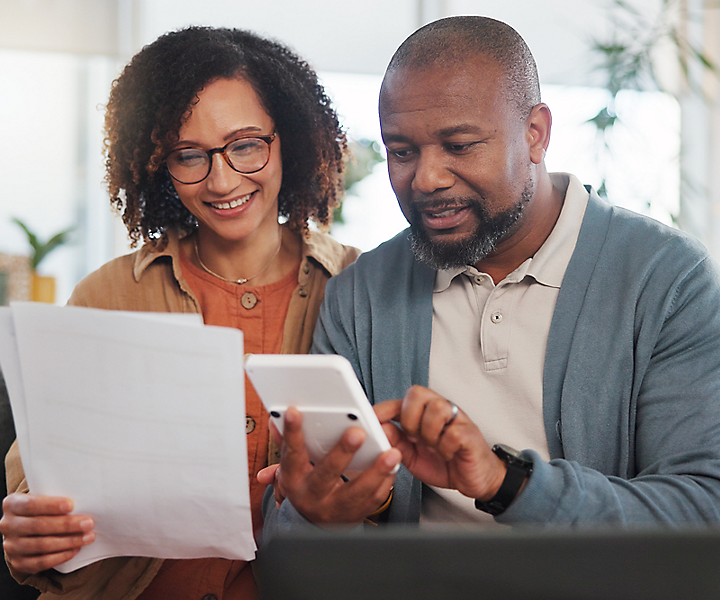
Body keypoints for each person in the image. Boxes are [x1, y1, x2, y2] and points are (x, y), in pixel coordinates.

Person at [261, 15, 720, 531]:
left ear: (536, 134)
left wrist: (507, 483)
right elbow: (289, 539)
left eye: (459, 146)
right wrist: (352, 506)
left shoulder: (665, 278)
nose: (426, 179)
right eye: (401, 152)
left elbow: (703, 509)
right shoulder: (361, 293)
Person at [0, 26, 358, 598]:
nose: (221, 181)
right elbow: (34, 489)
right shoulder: (108, 295)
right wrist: (28, 534)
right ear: (157, 164)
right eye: (188, 155)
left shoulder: (358, 289)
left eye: (245, 145)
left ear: (287, 137)